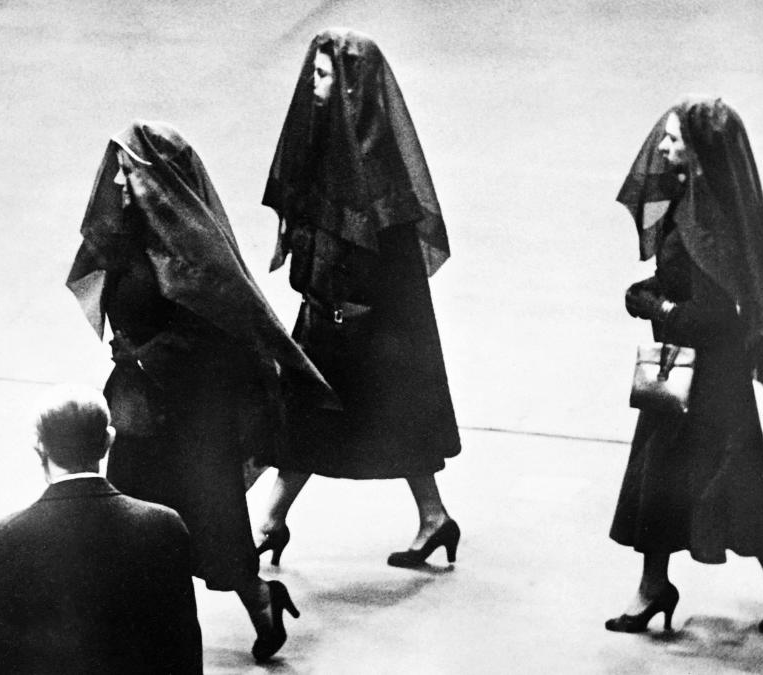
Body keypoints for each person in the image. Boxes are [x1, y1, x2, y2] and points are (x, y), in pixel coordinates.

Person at [66, 121, 336, 660]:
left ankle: (262, 599)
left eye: (130, 172)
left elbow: (217, 338)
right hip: (139, 406)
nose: (119, 183)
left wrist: (145, 354)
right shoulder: (122, 235)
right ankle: (138, 626)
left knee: (213, 526)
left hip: (192, 414)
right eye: (116, 170)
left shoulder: (193, 251)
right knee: (129, 514)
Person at [607, 97, 763, 635]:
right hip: (697, 380)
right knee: (708, 485)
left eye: (675, 139)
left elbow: (714, 317)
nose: (663, 145)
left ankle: (667, 586)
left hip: (705, 383)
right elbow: (690, 283)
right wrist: (656, 289)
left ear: (699, 154)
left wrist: (652, 305)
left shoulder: (712, 224)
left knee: (692, 484)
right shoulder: (694, 205)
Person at [257, 28, 461, 568]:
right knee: (314, 416)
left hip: (365, 328)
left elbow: (390, 271)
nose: (312, 84)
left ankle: (275, 521)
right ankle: (276, 519)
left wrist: (348, 314)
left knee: (345, 418)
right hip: (333, 316)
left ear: (352, 89)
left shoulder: (380, 173)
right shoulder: (319, 147)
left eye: (324, 75)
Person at [0, 385, 202, 674]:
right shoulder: (164, 527)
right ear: (108, 441)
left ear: (39, 446)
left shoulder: (5, 538)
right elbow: (183, 651)